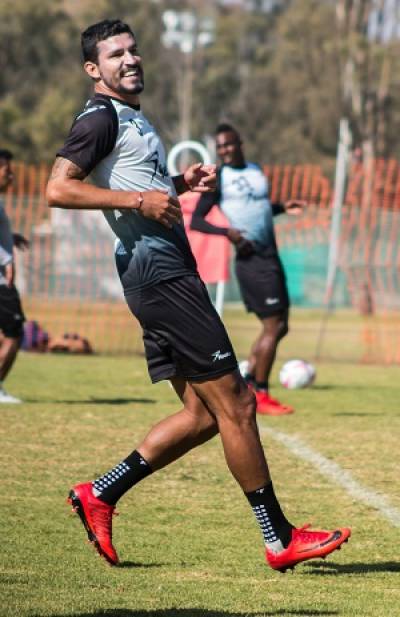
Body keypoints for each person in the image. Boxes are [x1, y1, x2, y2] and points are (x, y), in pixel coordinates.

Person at [46, 19, 350, 572]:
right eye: (116, 55)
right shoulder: (99, 116)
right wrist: (141, 202)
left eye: (133, 50)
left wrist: (177, 186)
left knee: (203, 415)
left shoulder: (132, 117)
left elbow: (139, 186)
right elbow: (57, 187)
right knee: (236, 401)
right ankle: (279, 537)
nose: (130, 60)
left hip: (157, 274)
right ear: (94, 70)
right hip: (161, 276)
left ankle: (100, 493)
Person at [191, 124, 304, 416]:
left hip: (270, 255)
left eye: (229, 144)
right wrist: (229, 232)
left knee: (282, 326)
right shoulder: (221, 178)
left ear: (240, 143)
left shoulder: (255, 170)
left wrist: (280, 207)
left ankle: (251, 380)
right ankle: (260, 392)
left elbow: (259, 207)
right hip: (250, 258)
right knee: (273, 326)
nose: (225, 150)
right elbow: (198, 221)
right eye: (220, 147)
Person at [0, 149, 29, 404]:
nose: (11, 177)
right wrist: (7, 260)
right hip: (1, 282)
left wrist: (12, 238)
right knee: (14, 332)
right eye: (7, 171)